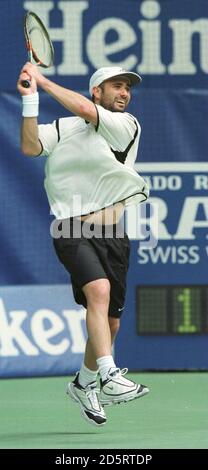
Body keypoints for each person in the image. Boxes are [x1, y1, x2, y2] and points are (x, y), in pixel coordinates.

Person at [17, 64, 150, 427]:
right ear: (97, 90)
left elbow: (86, 112)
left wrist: (43, 81)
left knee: (111, 323)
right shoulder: (65, 128)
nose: (125, 93)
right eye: (117, 86)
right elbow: (30, 146)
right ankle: (109, 374)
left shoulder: (127, 125)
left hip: (114, 237)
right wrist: (30, 100)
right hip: (70, 229)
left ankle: (83, 382)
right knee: (99, 289)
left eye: (127, 88)